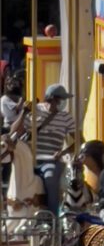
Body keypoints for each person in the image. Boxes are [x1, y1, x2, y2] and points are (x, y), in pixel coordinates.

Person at [12, 82, 75, 214]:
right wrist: (24, 112)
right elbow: (13, 132)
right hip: (30, 159)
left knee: (50, 177)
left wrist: (63, 152)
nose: (63, 102)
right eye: (60, 99)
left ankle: (52, 216)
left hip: (51, 160)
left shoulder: (65, 117)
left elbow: (79, 141)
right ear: (52, 98)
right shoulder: (35, 111)